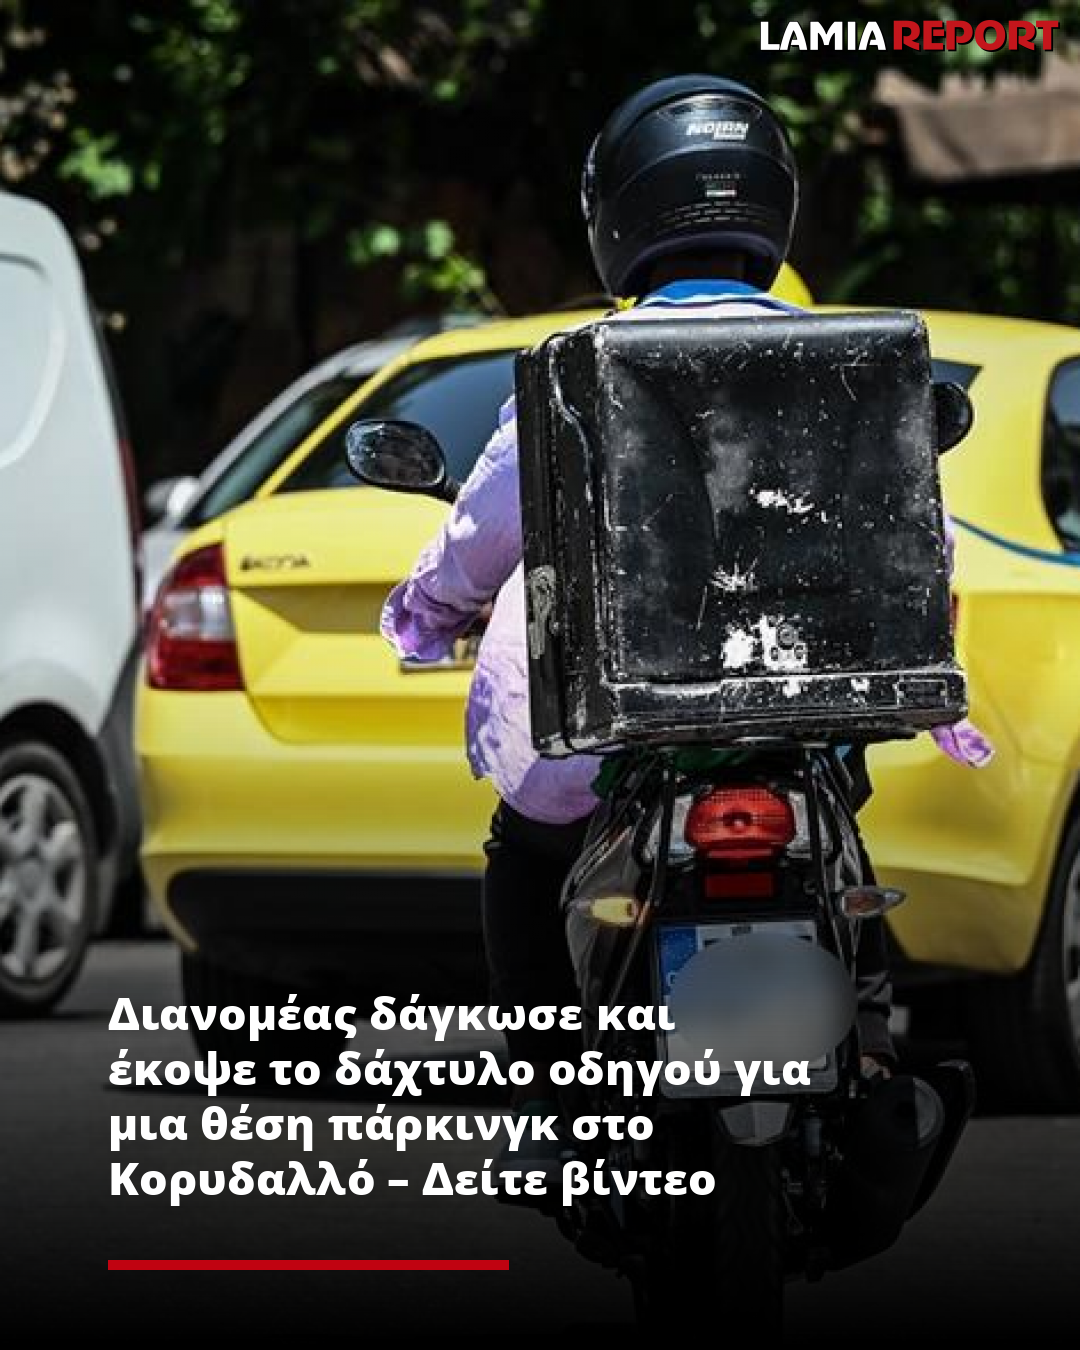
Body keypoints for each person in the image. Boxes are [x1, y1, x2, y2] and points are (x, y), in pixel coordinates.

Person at [380, 74, 993, 1188]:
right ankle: (868, 1066)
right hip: (806, 724)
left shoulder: (576, 371)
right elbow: (923, 543)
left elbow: (478, 539)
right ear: (772, 206)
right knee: (840, 859)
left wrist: (426, 616)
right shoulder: (861, 365)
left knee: (523, 861)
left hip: (617, 742)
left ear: (618, 213)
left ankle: (559, 1107)